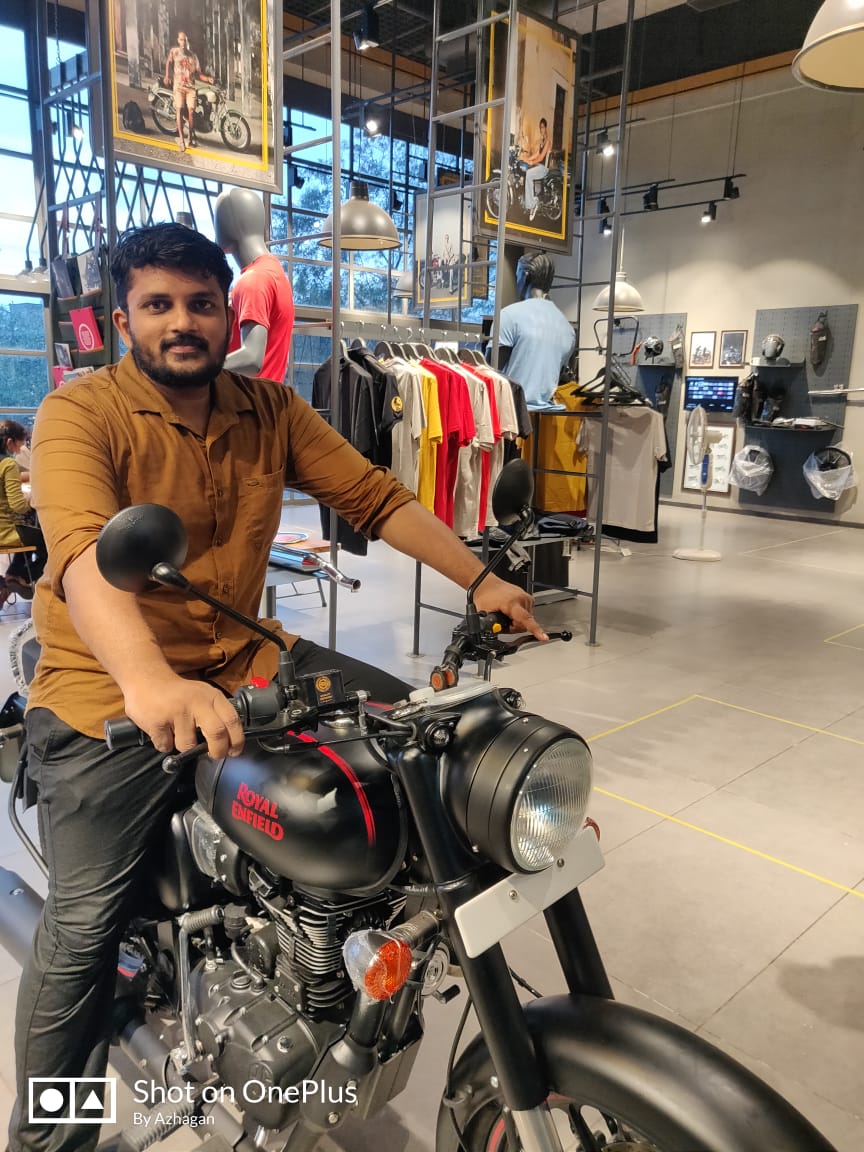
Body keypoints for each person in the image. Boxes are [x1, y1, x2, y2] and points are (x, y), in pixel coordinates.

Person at [8, 222, 545, 1152]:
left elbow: (374, 497)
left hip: (251, 663)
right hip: (108, 691)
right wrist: (149, 680)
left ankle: (335, 972)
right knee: (83, 929)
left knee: (429, 754)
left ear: (229, 315)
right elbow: (87, 554)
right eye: (157, 304)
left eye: (200, 303)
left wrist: (482, 579)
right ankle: (50, 1137)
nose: (182, 322)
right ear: (123, 319)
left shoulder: (270, 409)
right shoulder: (78, 412)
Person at [215, 187, 295, 382]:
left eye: (218, 219)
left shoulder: (254, 279)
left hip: (247, 397)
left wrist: (201, 370)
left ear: (231, 224)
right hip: (266, 394)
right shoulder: (274, 272)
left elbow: (252, 359)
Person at [494, 251, 575, 408]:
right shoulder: (567, 329)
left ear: (525, 276)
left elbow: (490, 370)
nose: (517, 281)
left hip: (510, 412)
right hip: (546, 415)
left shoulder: (509, 315)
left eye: (517, 275)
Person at [0, 420, 44, 606]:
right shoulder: (7, 464)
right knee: (48, 542)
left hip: (6, 531)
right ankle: (22, 576)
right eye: (19, 445)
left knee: (28, 533)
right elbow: (18, 506)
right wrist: (32, 499)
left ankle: (12, 575)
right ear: (9, 442)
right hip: (5, 533)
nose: (19, 451)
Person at [163, 30, 213, 152]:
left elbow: (199, 74)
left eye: (185, 40)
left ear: (187, 41)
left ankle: (190, 136)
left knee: (191, 112)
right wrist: (167, 76)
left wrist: (208, 79)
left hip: (190, 88)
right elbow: (168, 62)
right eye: (181, 40)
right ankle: (181, 139)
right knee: (179, 110)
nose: (183, 42)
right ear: (178, 41)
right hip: (179, 87)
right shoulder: (174, 52)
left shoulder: (193, 56)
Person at [520, 117, 552, 218]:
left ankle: (532, 205)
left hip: (544, 168)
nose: (541, 129)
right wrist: (526, 159)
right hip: (539, 166)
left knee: (529, 174)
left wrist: (531, 162)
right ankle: (530, 198)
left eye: (542, 127)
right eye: (540, 127)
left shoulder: (548, 141)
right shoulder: (542, 141)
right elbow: (537, 154)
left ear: (546, 128)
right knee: (526, 170)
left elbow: (541, 157)